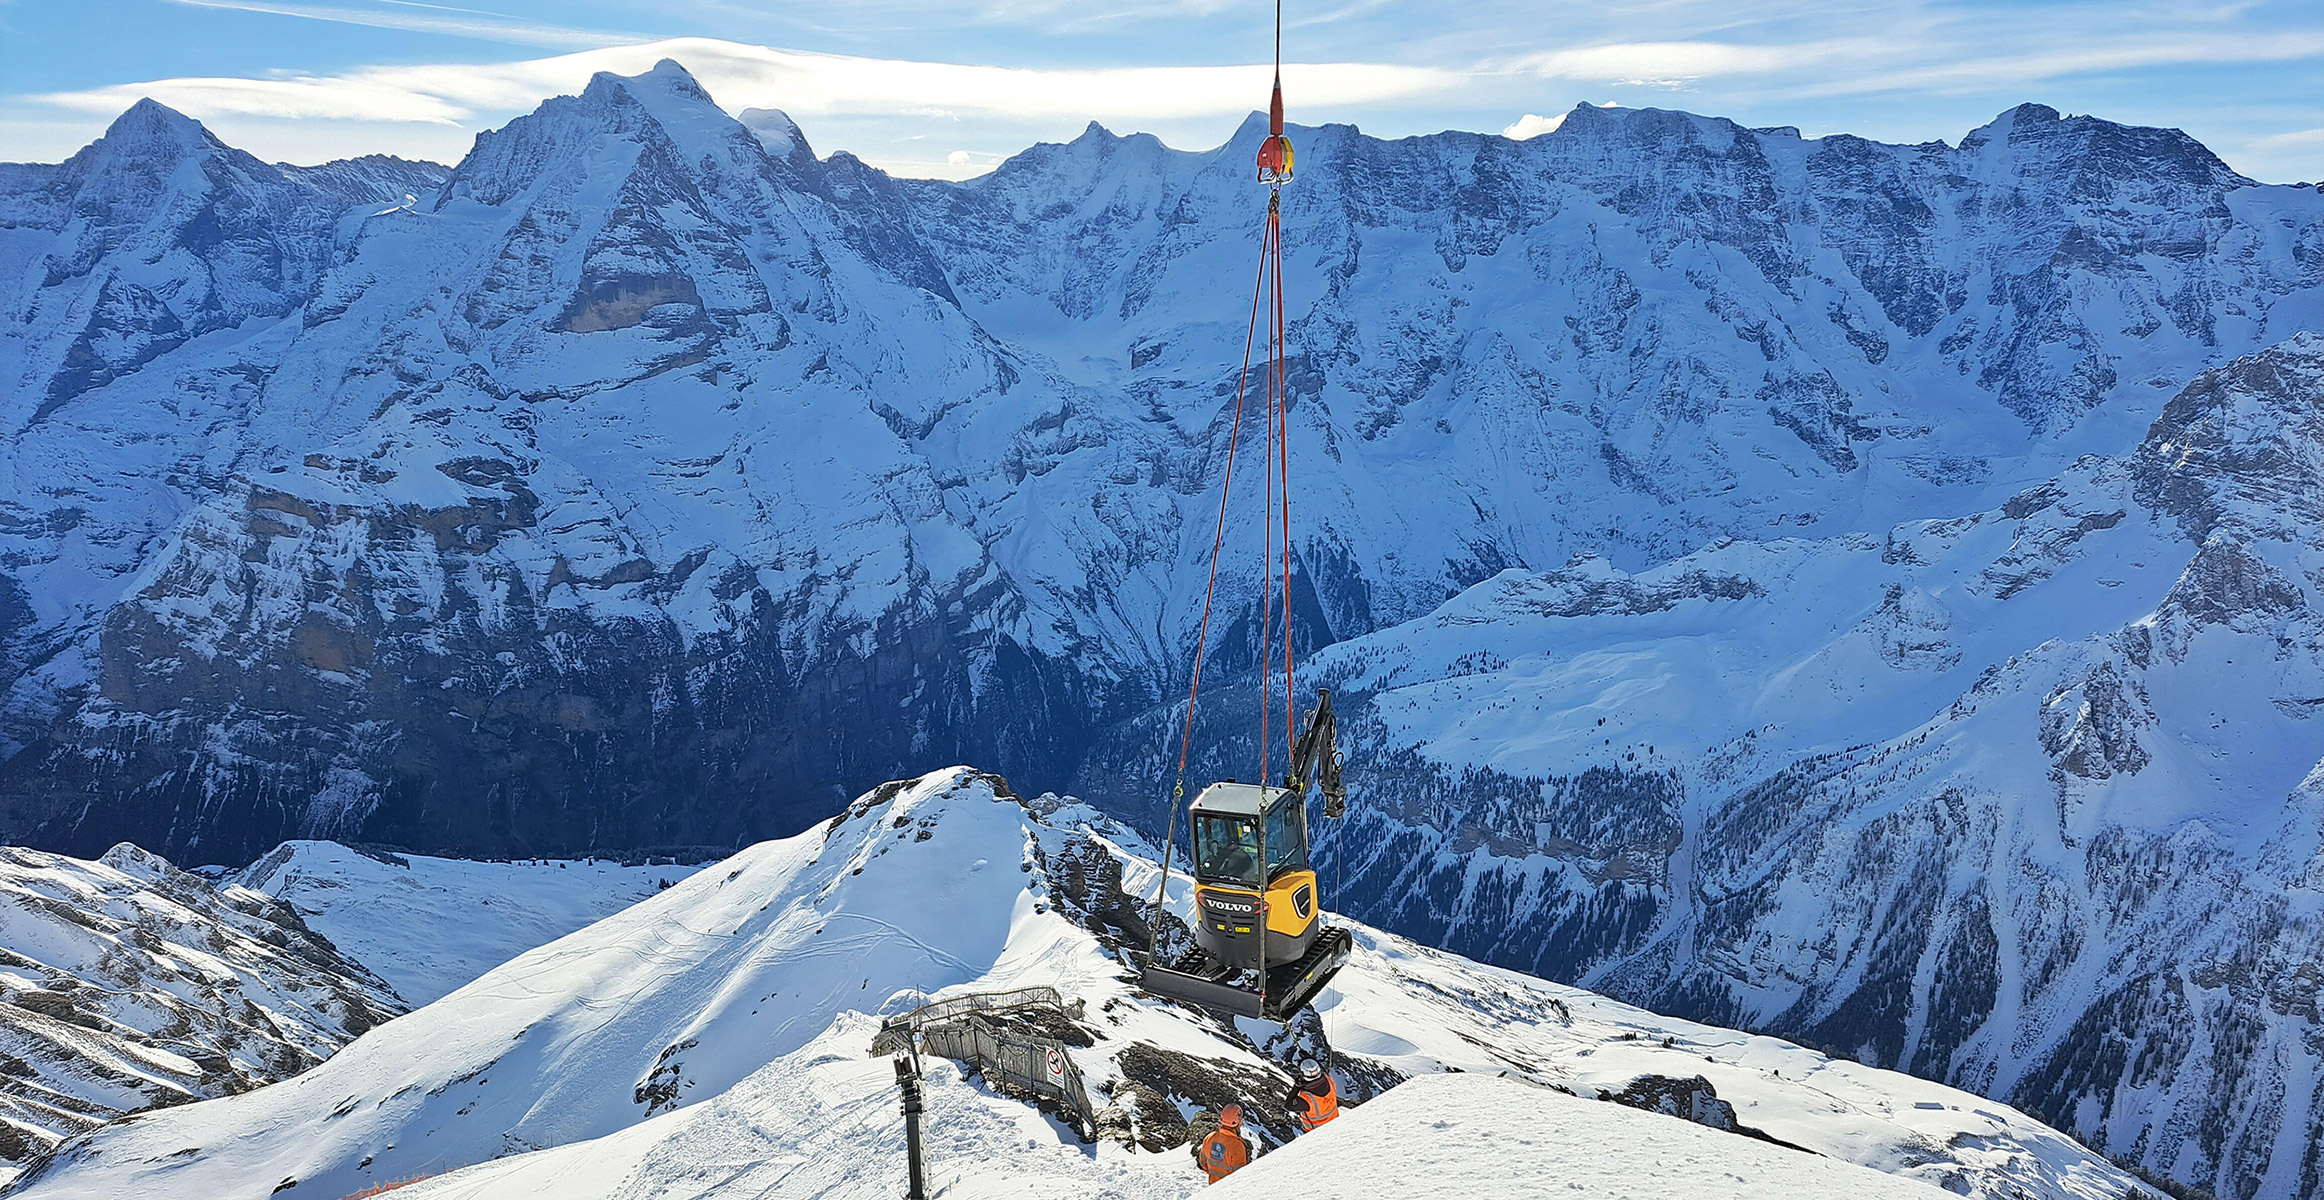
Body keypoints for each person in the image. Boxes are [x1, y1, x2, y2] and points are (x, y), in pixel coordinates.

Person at [1192, 1104, 1252, 1184]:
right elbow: (1239, 1175)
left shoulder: (1210, 1138)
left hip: (1213, 1186)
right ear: (1236, 1121)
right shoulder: (1237, 1146)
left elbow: (1203, 1163)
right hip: (1229, 1189)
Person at [1284, 1058, 1338, 1131]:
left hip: (1317, 1131)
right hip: (1336, 1121)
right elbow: (1322, 1072)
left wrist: (1297, 1086)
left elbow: (1288, 1105)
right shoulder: (1329, 1080)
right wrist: (1310, 1059)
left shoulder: (1307, 1098)